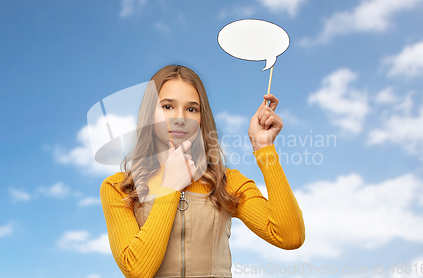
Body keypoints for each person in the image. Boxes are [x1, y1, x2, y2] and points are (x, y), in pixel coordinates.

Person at [100, 64, 305, 278]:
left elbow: (289, 236)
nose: (180, 118)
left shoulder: (227, 181)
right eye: (167, 106)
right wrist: (170, 186)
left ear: (201, 117)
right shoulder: (119, 187)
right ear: (149, 113)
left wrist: (264, 149)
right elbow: (137, 271)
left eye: (191, 109)